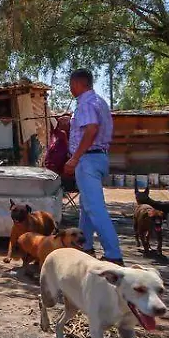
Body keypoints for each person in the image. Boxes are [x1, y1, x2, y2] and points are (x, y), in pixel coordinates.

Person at [63, 69, 123, 265]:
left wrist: (75, 158)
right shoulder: (98, 101)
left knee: (95, 208)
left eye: (71, 85)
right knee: (86, 206)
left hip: (87, 159)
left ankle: (113, 255)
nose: (70, 89)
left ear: (79, 84)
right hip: (98, 157)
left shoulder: (86, 103)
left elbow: (91, 129)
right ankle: (85, 245)